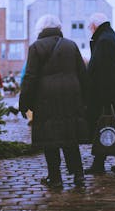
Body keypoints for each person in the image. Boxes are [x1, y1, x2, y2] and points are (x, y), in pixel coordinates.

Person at [19, 14, 88, 188]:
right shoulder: (71, 46)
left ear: (41, 29)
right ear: (59, 28)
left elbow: (30, 77)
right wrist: (85, 98)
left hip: (46, 99)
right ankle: (78, 175)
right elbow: (83, 74)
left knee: (50, 139)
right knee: (70, 137)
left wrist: (24, 102)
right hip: (71, 97)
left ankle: (55, 178)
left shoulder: (36, 47)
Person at [85, 13, 115, 175]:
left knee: (104, 126)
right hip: (114, 93)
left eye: (90, 27)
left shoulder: (104, 41)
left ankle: (102, 163)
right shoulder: (110, 38)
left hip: (106, 95)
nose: (90, 31)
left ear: (95, 26)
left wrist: (103, 98)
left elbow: (102, 72)